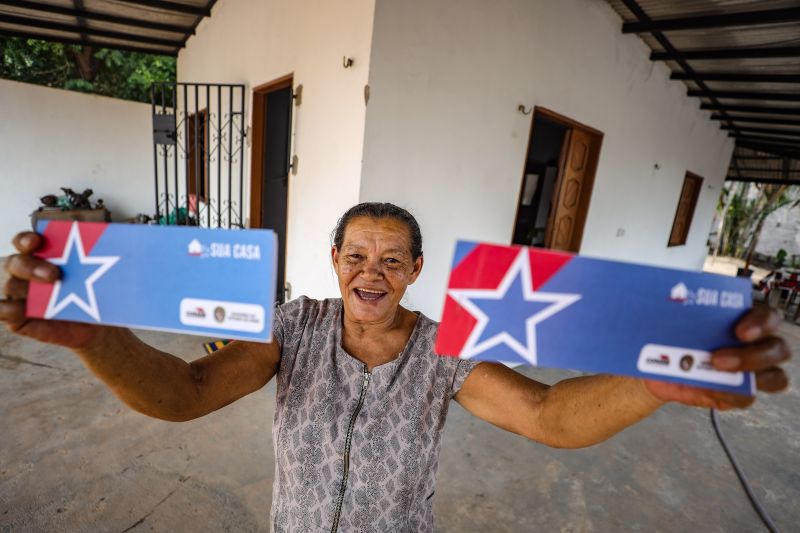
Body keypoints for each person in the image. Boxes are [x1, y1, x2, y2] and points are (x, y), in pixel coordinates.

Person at [1, 202, 791, 532]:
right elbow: (187, 390)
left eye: (389, 259)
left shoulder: (446, 349)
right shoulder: (294, 327)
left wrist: (651, 380)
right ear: (334, 261)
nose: (368, 273)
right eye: (355, 256)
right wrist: (92, 338)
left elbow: (548, 416)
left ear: (414, 270)